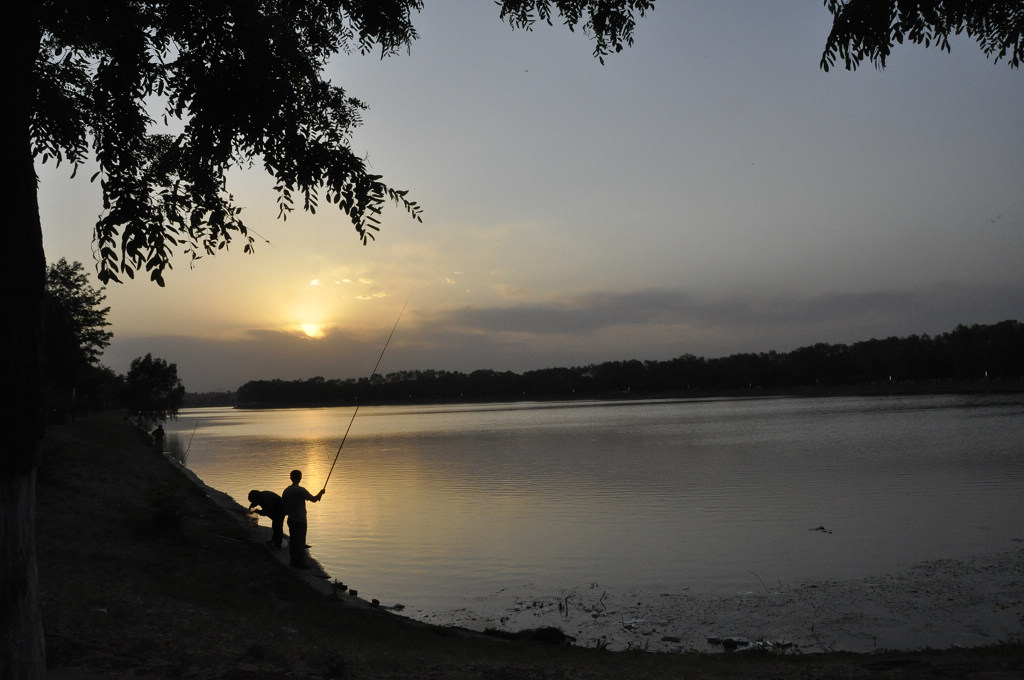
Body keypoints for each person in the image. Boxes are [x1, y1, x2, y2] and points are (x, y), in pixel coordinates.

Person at [281, 469, 324, 569]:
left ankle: (293, 561)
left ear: (291, 478)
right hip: (300, 520)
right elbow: (313, 499)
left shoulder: (286, 491)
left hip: (291, 519)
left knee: (293, 541)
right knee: (300, 542)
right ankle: (301, 563)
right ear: (300, 478)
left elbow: (283, 505)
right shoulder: (300, 490)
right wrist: (321, 493)